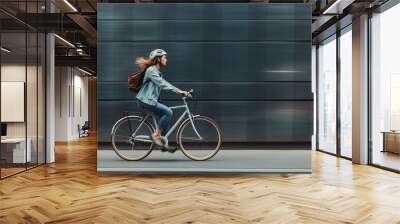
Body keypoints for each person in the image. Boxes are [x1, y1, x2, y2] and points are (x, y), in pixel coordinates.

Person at [135, 49, 189, 152]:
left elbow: (164, 83)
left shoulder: (156, 72)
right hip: (145, 100)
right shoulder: (151, 70)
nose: (166, 59)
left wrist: (180, 91)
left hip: (150, 100)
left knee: (166, 116)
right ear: (158, 59)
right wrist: (179, 91)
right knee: (168, 112)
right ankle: (156, 135)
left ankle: (163, 143)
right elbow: (162, 84)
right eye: (164, 57)